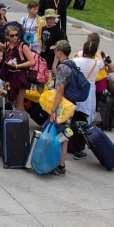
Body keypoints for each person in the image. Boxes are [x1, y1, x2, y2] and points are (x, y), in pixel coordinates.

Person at [70, 41, 105, 159]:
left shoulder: (76, 61)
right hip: (89, 94)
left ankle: (70, 143)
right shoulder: (97, 63)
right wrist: (99, 53)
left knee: (73, 117)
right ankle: (78, 148)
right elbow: (103, 64)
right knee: (83, 120)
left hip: (76, 92)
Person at [48, 40, 76, 176]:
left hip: (62, 106)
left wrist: (53, 109)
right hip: (69, 105)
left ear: (60, 51)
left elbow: (60, 90)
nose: (54, 52)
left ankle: (59, 165)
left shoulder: (62, 68)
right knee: (64, 135)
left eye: (55, 50)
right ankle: (60, 164)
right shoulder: (72, 64)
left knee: (60, 135)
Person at [0, 25, 34, 111]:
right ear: (7, 36)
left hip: (20, 76)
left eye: (16, 35)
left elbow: (32, 61)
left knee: (19, 102)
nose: (15, 37)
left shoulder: (22, 46)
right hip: (11, 76)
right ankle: (17, 121)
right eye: (12, 35)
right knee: (14, 102)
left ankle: (21, 123)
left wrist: (17, 66)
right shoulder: (7, 47)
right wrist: (7, 80)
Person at [40, 9, 66, 74]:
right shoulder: (44, 28)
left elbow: (59, 49)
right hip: (43, 57)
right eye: (49, 19)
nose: (52, 21)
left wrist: (54, 66)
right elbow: (41, 40)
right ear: (46, 19)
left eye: (53, 19)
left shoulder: (59, 31)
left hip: (52, 59)